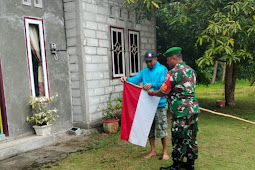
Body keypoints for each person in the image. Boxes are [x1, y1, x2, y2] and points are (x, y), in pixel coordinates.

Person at [148, 47, 199, 170]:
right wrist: (172, 94)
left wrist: (153, 93)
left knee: (178, 137)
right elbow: (185, 90)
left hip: (180, 111)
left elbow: (163, 90)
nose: (167, 62)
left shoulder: (173, 72)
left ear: (174, 58)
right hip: (193, 109)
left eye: (168, 59)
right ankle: (190, 163)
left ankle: (176, 165)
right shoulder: (191, 71)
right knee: (191, 136)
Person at [120, 50, 169, 160]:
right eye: (147, 61)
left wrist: (153, 84)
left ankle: (165, 152)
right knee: (149, 128)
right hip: (147, 105)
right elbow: (135, 80)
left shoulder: (162, 69)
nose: (148, 63)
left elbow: (164, 84)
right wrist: (126, 79)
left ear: (156, 59)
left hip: (160, 103)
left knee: (162, 128)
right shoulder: (144, 71)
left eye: (150, 61)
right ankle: (152, 150)